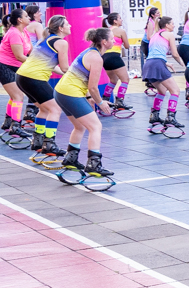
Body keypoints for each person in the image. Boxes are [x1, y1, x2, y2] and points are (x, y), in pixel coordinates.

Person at [54, 28, 113, 179]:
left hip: (61, 92)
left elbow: (82, 80)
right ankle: (94, 164)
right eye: (112, 39)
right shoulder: (96, 58)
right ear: (104, 42)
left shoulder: (89, 52)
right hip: (70, 93)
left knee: (80, 126)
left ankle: (71, 158)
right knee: (96, 126)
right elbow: (93, 87)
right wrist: (100, 103)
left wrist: (89, 98)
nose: (114, 41)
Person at [15, 15, 70, 157]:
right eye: (67, 24)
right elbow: (65, 67)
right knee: (55, 109)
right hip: (33, 78)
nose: (70, 26)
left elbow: (53, 66)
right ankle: (49, 144)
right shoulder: (61, 43)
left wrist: (66, 74)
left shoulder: (45, 40)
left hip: (22, 77)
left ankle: (38, 141)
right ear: (61, 28)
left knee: (44, 109)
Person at [142, 16, 185, 134]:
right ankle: (171, 117)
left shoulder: (155, 35)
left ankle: (154, 116)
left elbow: (154, 53)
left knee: (161, 91)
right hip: (157, 63)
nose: (174, 25)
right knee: (175, 91)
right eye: (172, 23)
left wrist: (166, 63)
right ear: (166, 25)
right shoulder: (169, 34)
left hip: (149, 64)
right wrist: (183, 64)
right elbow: (175, 53)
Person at [0, 9, 31, 136]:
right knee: (18, 96)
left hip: (16, 67)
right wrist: (36, 64)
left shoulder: (24, 31)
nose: (29, 18)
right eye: (26, 16)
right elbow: (19, 56)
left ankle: (8, 122)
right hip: (4, 66)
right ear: (20, 19)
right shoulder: (14, 33)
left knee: (15, 96)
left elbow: (30, 51)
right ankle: (16, 126)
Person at [101, 13, 132, 113]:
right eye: (120, 18)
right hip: (114, 56)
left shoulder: (106, 31)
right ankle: (120, 101)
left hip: (105, 57)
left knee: (113, 80)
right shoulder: (120, 31)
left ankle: (105, 100)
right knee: (125, 80)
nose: (121, 20)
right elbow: (127, 46)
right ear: (115, 21)